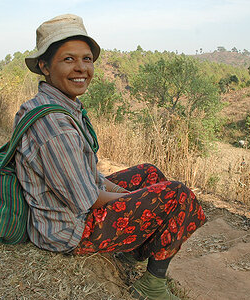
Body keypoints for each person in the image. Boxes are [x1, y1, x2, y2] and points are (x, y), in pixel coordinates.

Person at [15, 14, 207, 300]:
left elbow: (85, 174)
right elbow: (87, 199)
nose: (81, 68)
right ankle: (151, 285)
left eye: (87, 59)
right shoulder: (55, 126)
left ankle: (133, 250)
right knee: (177, 195)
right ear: (44, 65)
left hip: (68, 206)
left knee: (149, 174)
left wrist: (137, 193)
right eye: (68, 60)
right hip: (67, 229)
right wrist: (146, 202)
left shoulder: (54, 104)